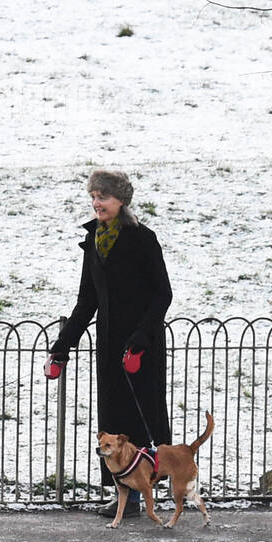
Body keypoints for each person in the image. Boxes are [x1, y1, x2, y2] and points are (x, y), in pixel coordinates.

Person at [47, 170, 173, 519]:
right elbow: (87, 301)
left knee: (141, 417)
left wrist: (140, 340)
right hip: (109, 347)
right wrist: (62, 347)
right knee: (115, 423)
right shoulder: (94, 242)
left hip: (141, 348)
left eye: (103, 196)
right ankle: (124, 495)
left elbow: (163, 294)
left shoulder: (143, 239)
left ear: (121, 200)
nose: (96, 203)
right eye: (93, 196)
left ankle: (141, 493)